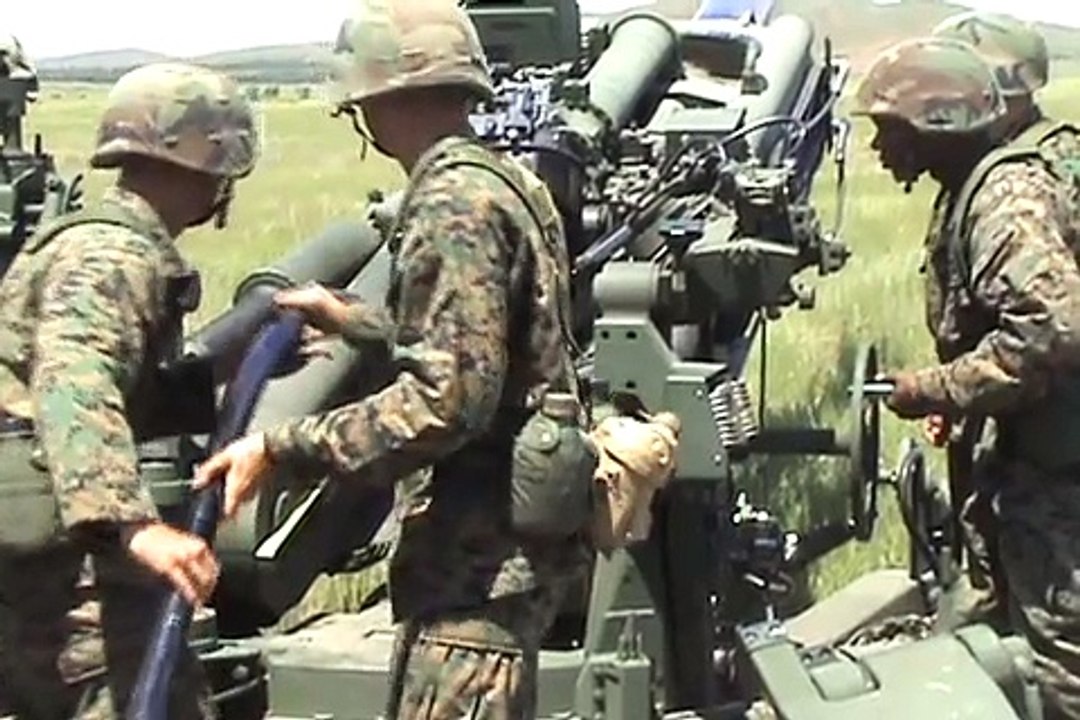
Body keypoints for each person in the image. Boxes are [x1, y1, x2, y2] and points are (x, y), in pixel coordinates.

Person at [193, 1, 596, 717]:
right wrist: (356, 322)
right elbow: (481, 345)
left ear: (380, 97)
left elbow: (447, 401)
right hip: (507, 549)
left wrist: (280, 446)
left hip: (476, 564)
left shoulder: (451, 204)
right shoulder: (507, 182)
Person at [0, 62, 259, 718]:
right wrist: (135, 525)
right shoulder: (112, 258)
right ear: (210, 163)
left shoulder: (105, 245)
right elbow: (72, 381)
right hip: (65, 564)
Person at [853, 36, 1080, 719]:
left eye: (890, 132)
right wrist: (969, 396)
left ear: (938, 125)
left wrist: (940, 385)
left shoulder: (1003, 197)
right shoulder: (985, 181)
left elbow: (1052, 329)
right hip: (1039, 452)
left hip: (1054, 478)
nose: (880, 151)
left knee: (1057, 659)